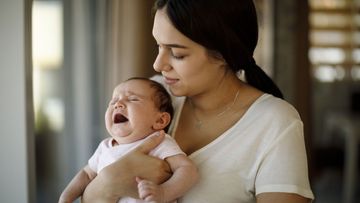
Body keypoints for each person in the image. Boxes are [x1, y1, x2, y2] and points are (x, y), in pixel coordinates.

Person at [82, 0, 315, 202]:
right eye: (158, 46)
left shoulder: (275, 123)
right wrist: (109, 182)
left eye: (177, 54)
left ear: (223, 54)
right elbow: (90, 194)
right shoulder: (153, 95)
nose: (158, 64)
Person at [59, 77, 198, 203]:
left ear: (160, 120)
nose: (118, 104)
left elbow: (187, 169)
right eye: (113, 101)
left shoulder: (159, 142)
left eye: (133, 99)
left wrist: (164, 192)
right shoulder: (105, 146)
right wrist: (66, 197)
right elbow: (87, 174)